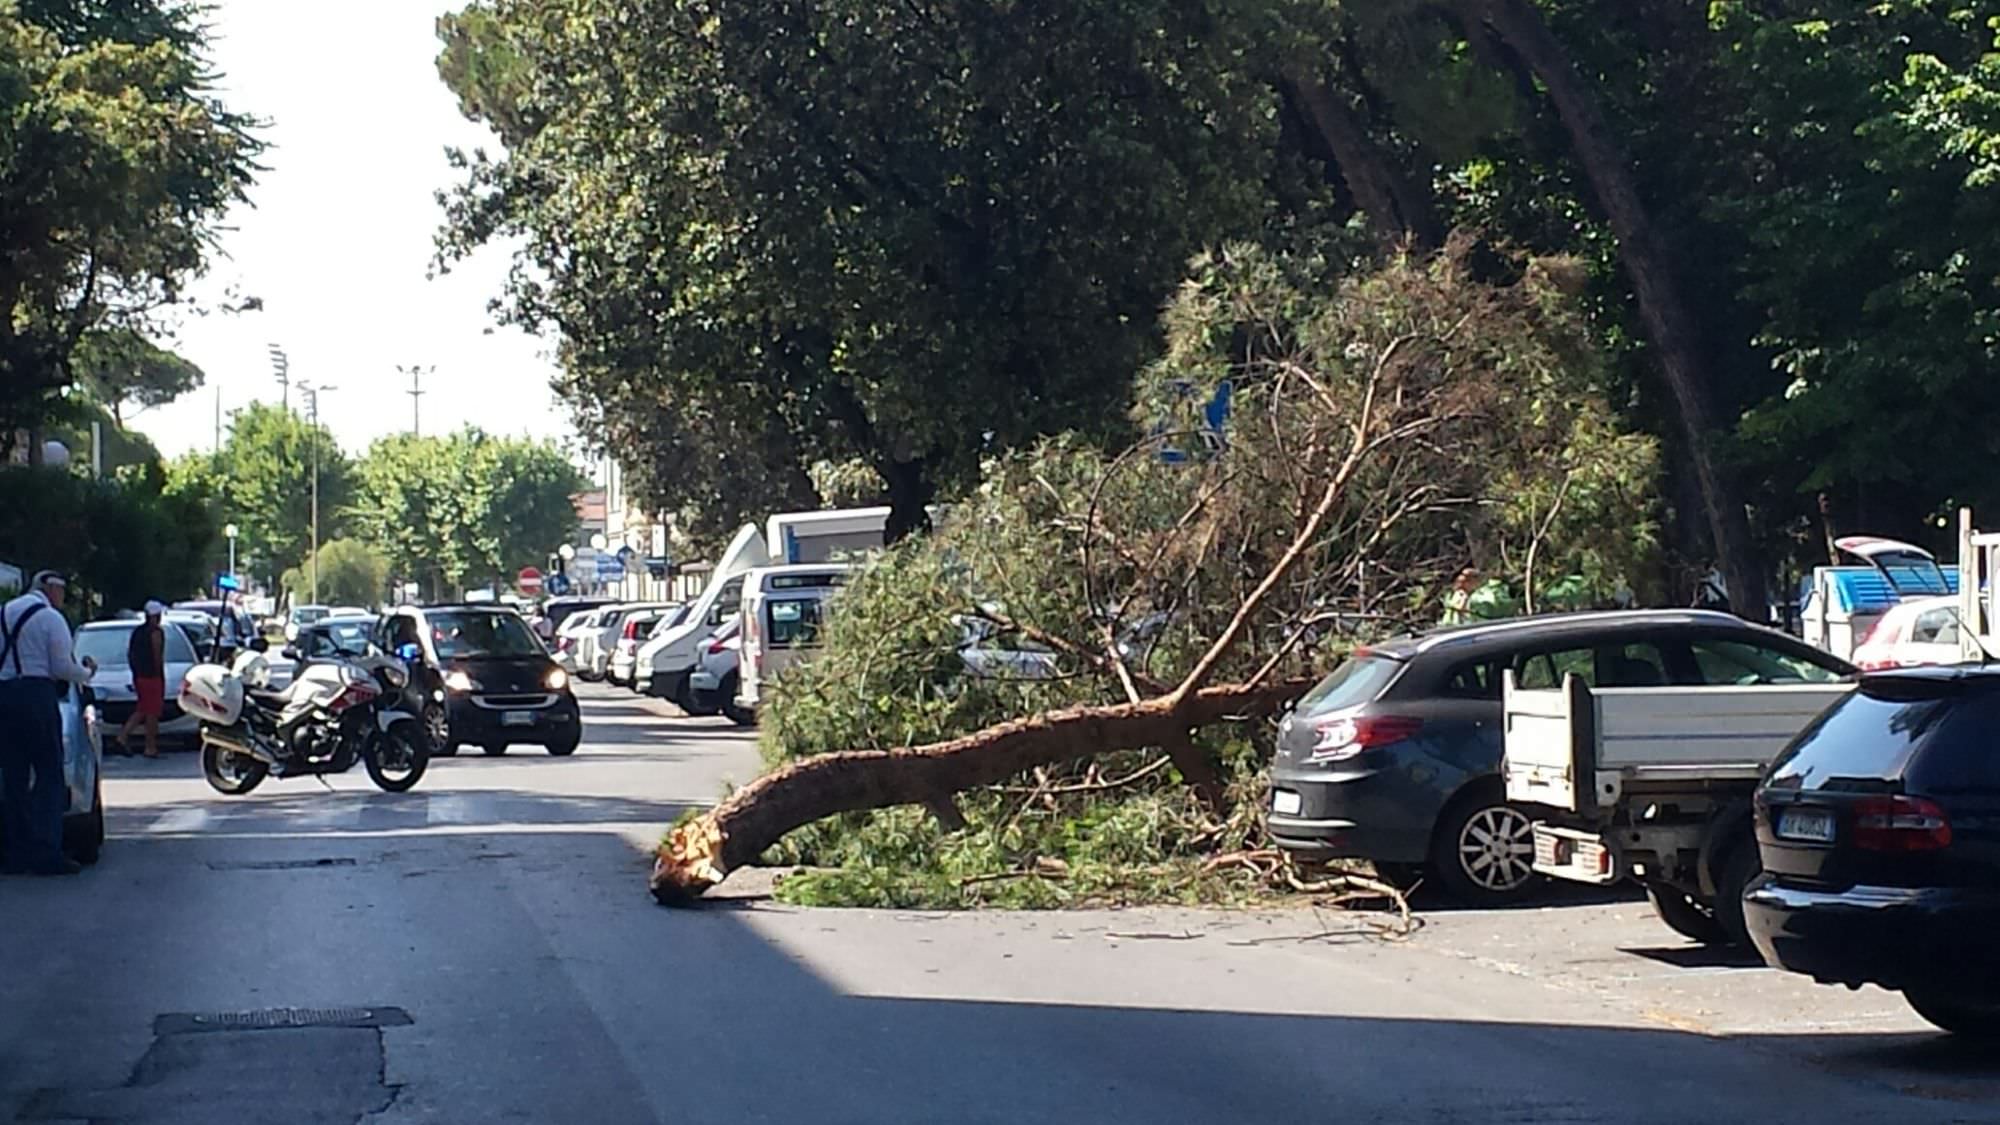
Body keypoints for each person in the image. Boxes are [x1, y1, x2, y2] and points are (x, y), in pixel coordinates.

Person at [0, 571, 97, 876]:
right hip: (37, 696)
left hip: (5, 695)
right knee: (48, 775)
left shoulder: (2, 614)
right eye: (61, 591)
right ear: (50, 589)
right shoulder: (50, 619)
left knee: (13, 776)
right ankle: (46, 852)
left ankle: (15, 853)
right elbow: (60, 666)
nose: (62, 598)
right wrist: (87, 673)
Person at [118, 600, 168, 759]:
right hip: (152, 677)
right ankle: (149, 746)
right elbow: (157, 656)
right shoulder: (156, 633)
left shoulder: (137, 632)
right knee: (152, 712)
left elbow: (130, 654)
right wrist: (160, 676)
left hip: (140, 676)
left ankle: (123, 736)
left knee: (143, 710)